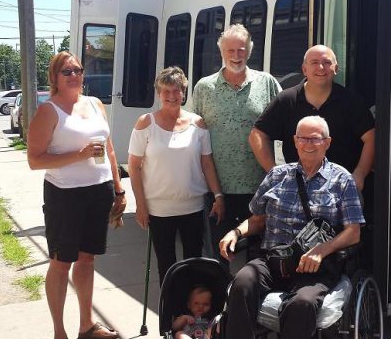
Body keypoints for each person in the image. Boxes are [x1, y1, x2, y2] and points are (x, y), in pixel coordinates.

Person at [220, 116, 365, 339]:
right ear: (295, 141)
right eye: (303, 139)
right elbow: (258, 219)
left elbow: (353, 232)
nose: (308, 144)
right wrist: (236, 231)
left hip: (315, 267)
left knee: (302, 303)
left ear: (327, 142)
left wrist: (322, 250)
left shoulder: (342, 180)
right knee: (242, 282)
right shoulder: (277, 175)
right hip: (274, 259)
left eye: (315, 139)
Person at [27, 51, 125, 339]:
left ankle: (86, 326)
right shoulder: (49, 111)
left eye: (78, 70)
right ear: (55, 77)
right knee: (61, 262)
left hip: (100, 191)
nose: (74, 75)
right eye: (67, 71)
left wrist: (119, 189)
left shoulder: (95, 104)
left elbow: (110, 150)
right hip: (65, 197)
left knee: (87, 260)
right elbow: (35, 160)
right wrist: (78, 155)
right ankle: (59, 331)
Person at [192, 24, 281, 261]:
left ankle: (252, 298)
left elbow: (283, 124)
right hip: (218, 189)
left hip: (259, 186)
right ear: (221, 52)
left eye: (241, 50)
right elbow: (195, 134)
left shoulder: (267, 83)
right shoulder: (204, 87)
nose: (236, 56)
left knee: (259, 258)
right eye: (230, 50)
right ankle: (221, 297)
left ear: (249, 51)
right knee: (219, 255)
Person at [128, 67, 225, 284]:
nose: (171, 96)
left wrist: (218, 196)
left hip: (192, 206)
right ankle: (171, 314)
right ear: (158, 94)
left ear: (183, 92)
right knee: (167, 265)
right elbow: (134, 167)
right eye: (166, 91)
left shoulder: (198, 124)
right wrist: (141, 205)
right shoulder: (146, 123)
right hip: (158, 209)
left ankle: (194, 312)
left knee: (193, 263)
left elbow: (206, 163)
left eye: (176, 91)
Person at [249, 45, 374, 192]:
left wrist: (359, 175)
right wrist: (275, 174)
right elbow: (257, 135)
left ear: (336, 68)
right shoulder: (287, 100)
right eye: (314, 62)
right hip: (296, 189)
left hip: (343, 189)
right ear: (304, 69)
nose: (321, 67)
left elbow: (372, 138)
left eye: (327, 62)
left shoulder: (351, 101)